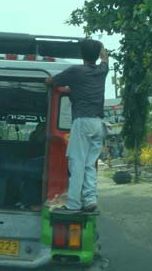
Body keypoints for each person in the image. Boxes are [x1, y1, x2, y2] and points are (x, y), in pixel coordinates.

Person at [45, 39, 109, 213]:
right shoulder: (102, 71)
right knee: (89, 164)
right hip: (98, 124)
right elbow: (105, 58)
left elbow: (51, 82)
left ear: (82, 55)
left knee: (77, 164)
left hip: (82, 122)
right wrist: (101, 47)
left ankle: (73, 204)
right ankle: (90, 200)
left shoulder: (75, 72)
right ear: (97, 55)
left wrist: (47, 79)